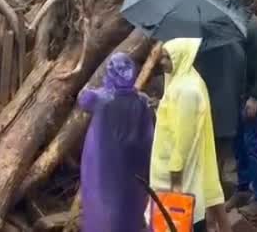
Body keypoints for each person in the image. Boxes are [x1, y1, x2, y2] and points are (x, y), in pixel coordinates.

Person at [151, 39, 229, 232]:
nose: (162, 62)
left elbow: (185, 136)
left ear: (181, 58)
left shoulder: (187, 90)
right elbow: (173, 121)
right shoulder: (181, 81)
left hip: (178, 175)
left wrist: (175, 173)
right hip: (173, 171)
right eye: (162, 57)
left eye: (167, 58)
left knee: (182, 221)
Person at [78, 53, 154, 232]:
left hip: (101, 162)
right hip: (132, 163)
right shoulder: (141, 100)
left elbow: (83, 99)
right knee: (129, 204)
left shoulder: (99, 98)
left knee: (101, 203)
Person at [228, 0, 257, 218]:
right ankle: (243, 188)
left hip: (256, 97)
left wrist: (255, 96)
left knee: (254, 146)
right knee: (239, 145)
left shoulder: (255, 29)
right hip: (240, 95)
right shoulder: (237, 27)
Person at [194, 34, 247, 198]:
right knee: (219, 156)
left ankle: (207, 198)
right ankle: (216, 191)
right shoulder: (237, 44)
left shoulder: (204, 48)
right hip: (230, 110)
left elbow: (197, 77)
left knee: (206, 157)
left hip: (209, 110)